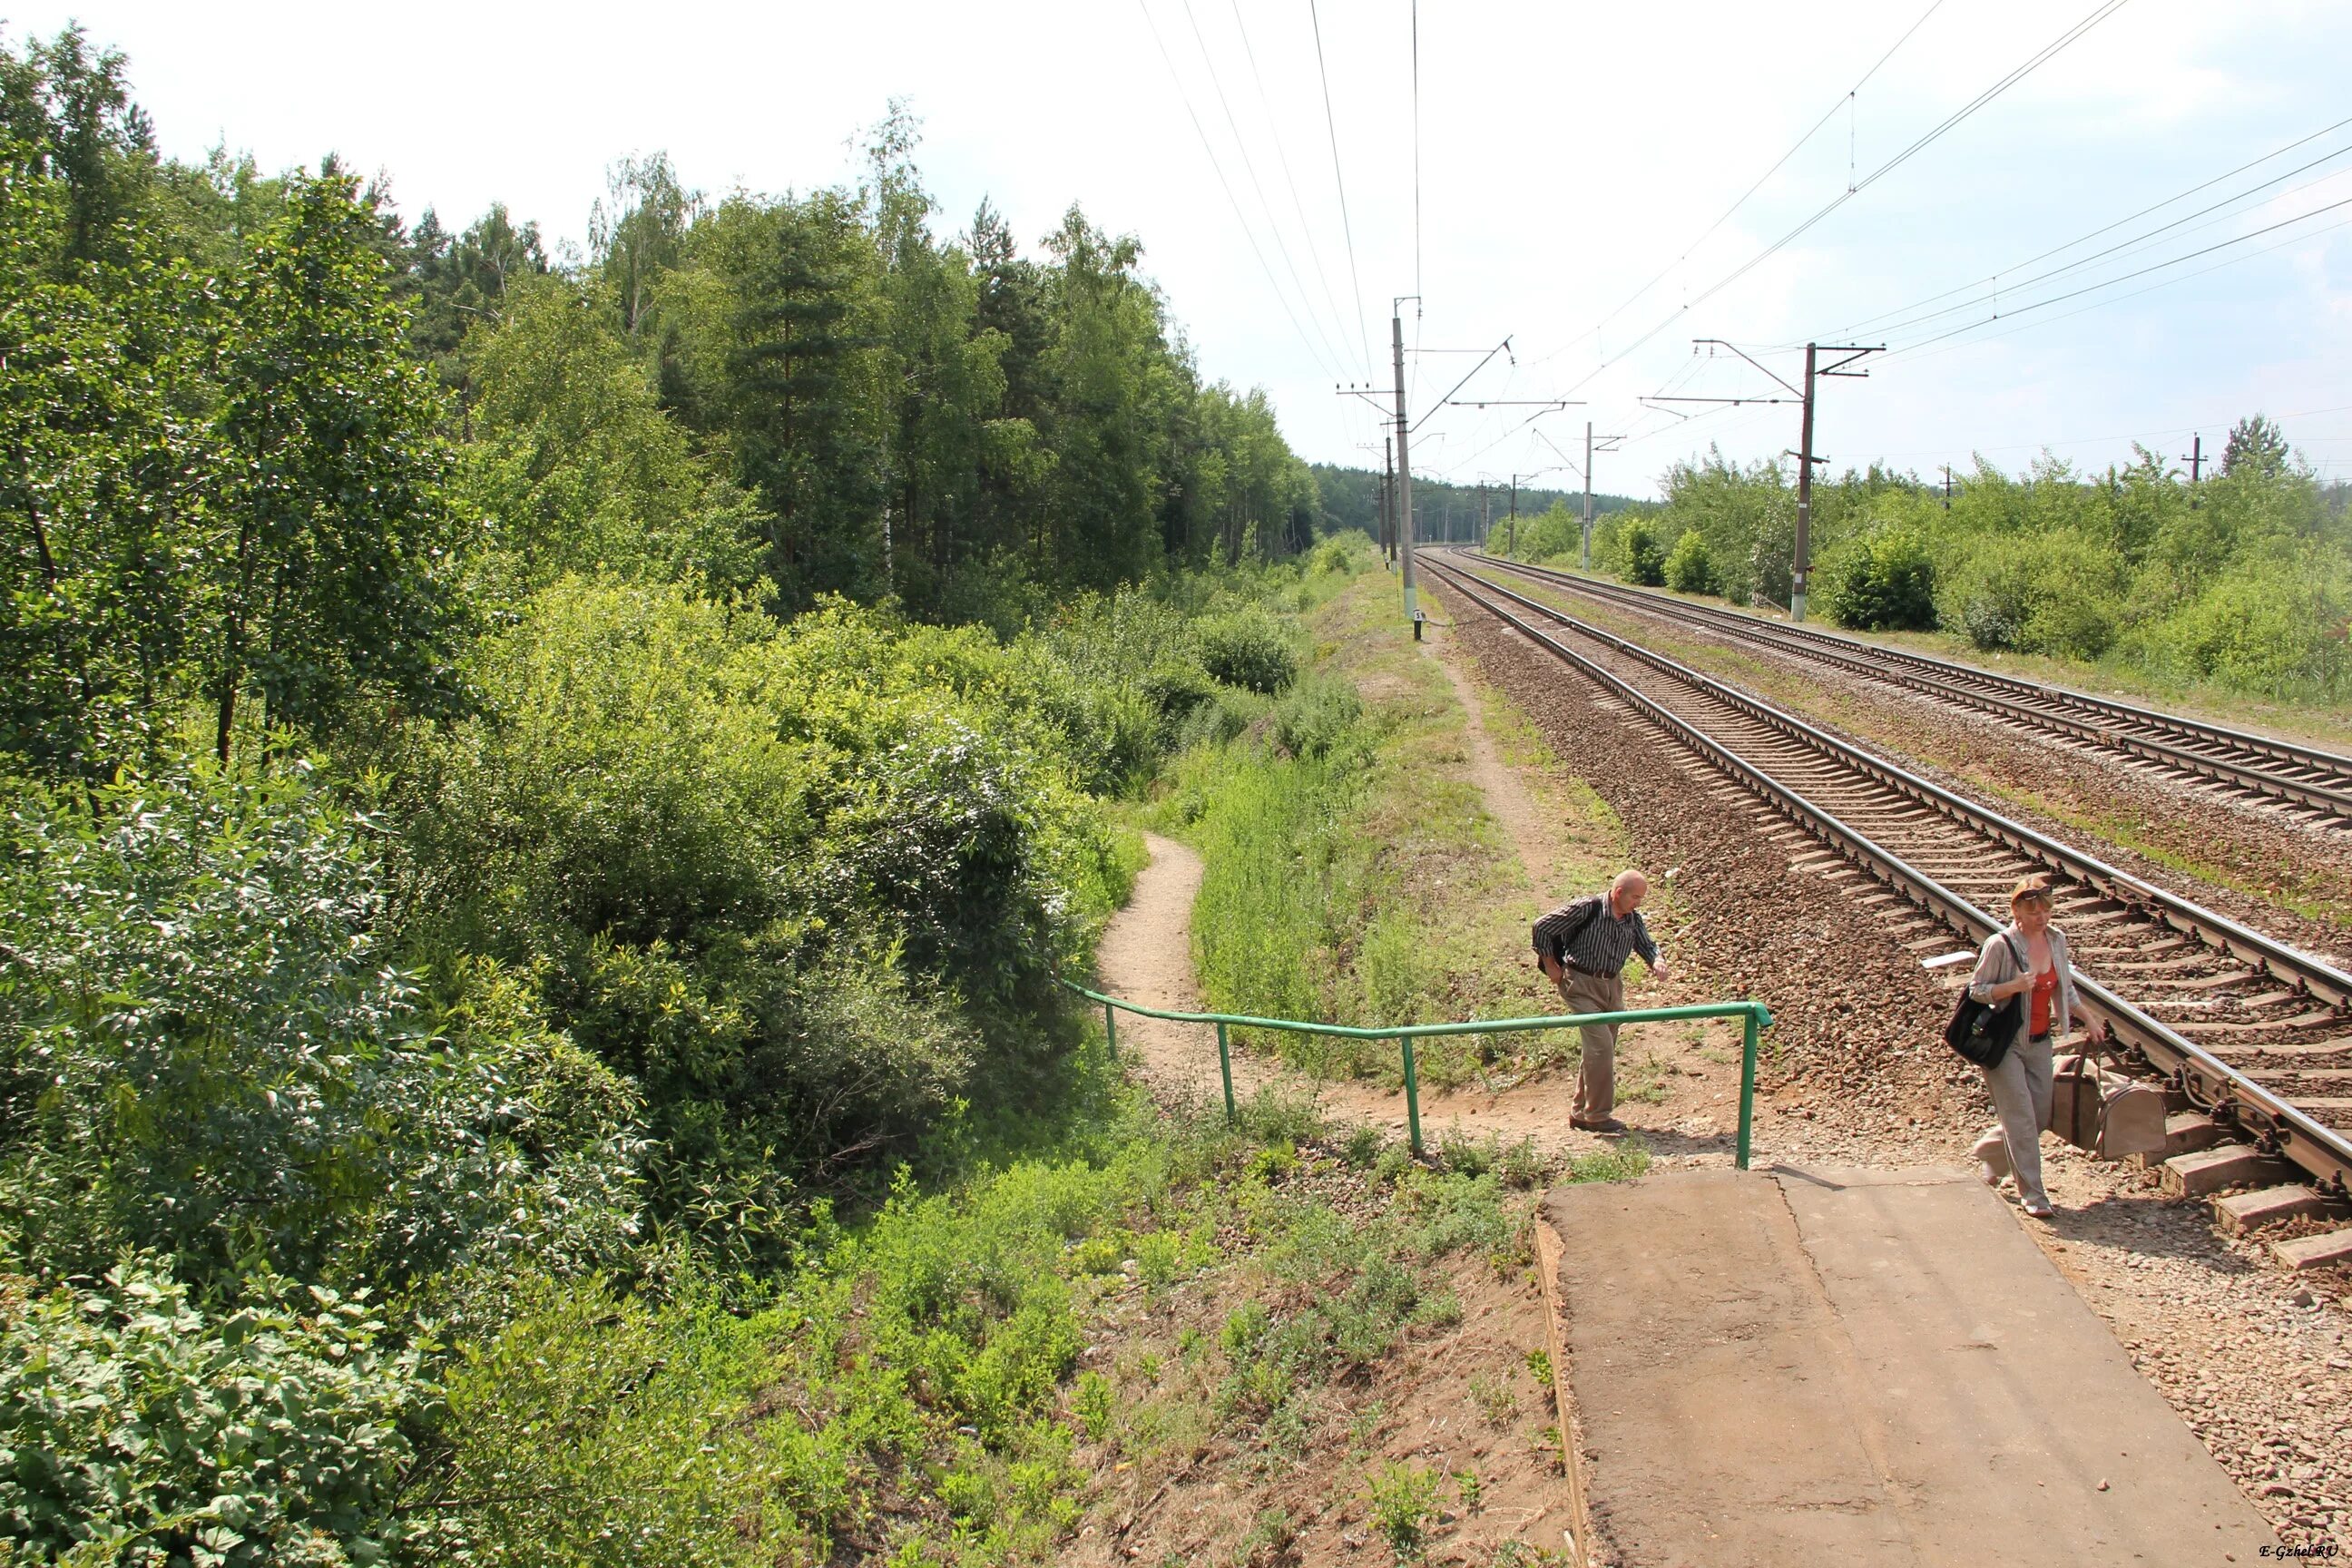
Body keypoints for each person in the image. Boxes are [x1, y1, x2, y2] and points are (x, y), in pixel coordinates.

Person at [1966, 873, 2110, 1220]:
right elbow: (1977, 990)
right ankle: (2033, 1193)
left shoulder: (2056, 940)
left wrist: (2088, 1019)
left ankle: (1991, 1151)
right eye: (2033, 912)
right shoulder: (2000, 945)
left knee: (2040, 1115)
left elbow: (2066, 989)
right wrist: (2013, 986)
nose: (2041, 918)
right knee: (2021, 1118)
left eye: (2045, 910)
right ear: (2016, 911)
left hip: (2040, 1042)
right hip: (2005, 1045)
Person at [1533, 869, 1671, 1134]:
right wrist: (1551, 964)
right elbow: (1542, 926)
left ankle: (1580, 1113)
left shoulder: (1631, 918)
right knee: (1601, 1047)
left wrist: (1657, 960)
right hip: (1581, 984)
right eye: (1635, 897)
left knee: (1600, 1049)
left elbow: (1645, 943)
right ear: (1619, 893)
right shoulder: (1588, 908)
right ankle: (1597, 1117)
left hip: (1611, 986)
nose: (1638, 903)